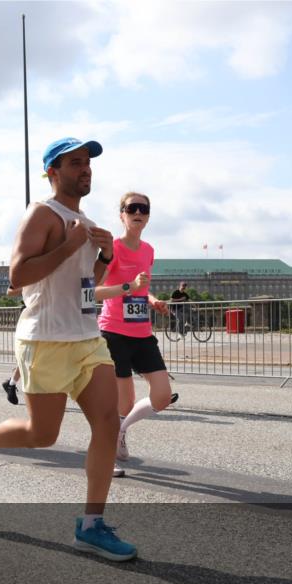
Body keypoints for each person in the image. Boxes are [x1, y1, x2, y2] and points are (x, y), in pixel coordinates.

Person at [0, 137, 136, 561]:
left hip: (86, 339)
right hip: (45, 339)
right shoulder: (42, 214)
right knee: (42, 434)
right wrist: (69, 245)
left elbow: (84, 285)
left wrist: (104, 257)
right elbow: (18, 275)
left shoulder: (85, 221)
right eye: (75, 163)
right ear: (52, 171)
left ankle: (91, 525)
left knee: (108, 423)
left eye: (88, 163)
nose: (85, 169)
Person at [96, 193, 177, 477]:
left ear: (149, 216)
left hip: (142, 332)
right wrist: (128, 287)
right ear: (122, 214)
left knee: (162, 396)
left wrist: (153, 300)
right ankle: (107, 457)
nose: (138, 213)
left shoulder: (148, 250)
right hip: (114, 332)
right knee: (123, 402)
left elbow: (143, 288)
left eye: (144, 209)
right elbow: (93, 291)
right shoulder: (113, 249)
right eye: (132, 208)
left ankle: (121, 429)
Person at [1, 286, 24, 405]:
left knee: (27, 361)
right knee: (26, 360)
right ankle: (11, 384)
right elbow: (11, 290)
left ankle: (11, 383)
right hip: (32, 318)